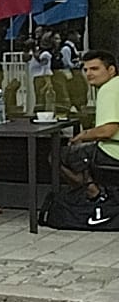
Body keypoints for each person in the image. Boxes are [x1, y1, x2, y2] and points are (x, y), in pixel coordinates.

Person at [63, 50, 119, 195]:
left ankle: (94, 193)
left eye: (95, 69)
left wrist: (83, 135)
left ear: (111, 70)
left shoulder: (109, 89)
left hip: (114, 152)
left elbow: (108, 130)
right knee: (84, 152)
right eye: (86, 70)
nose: (89, 74)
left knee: (59, 156)